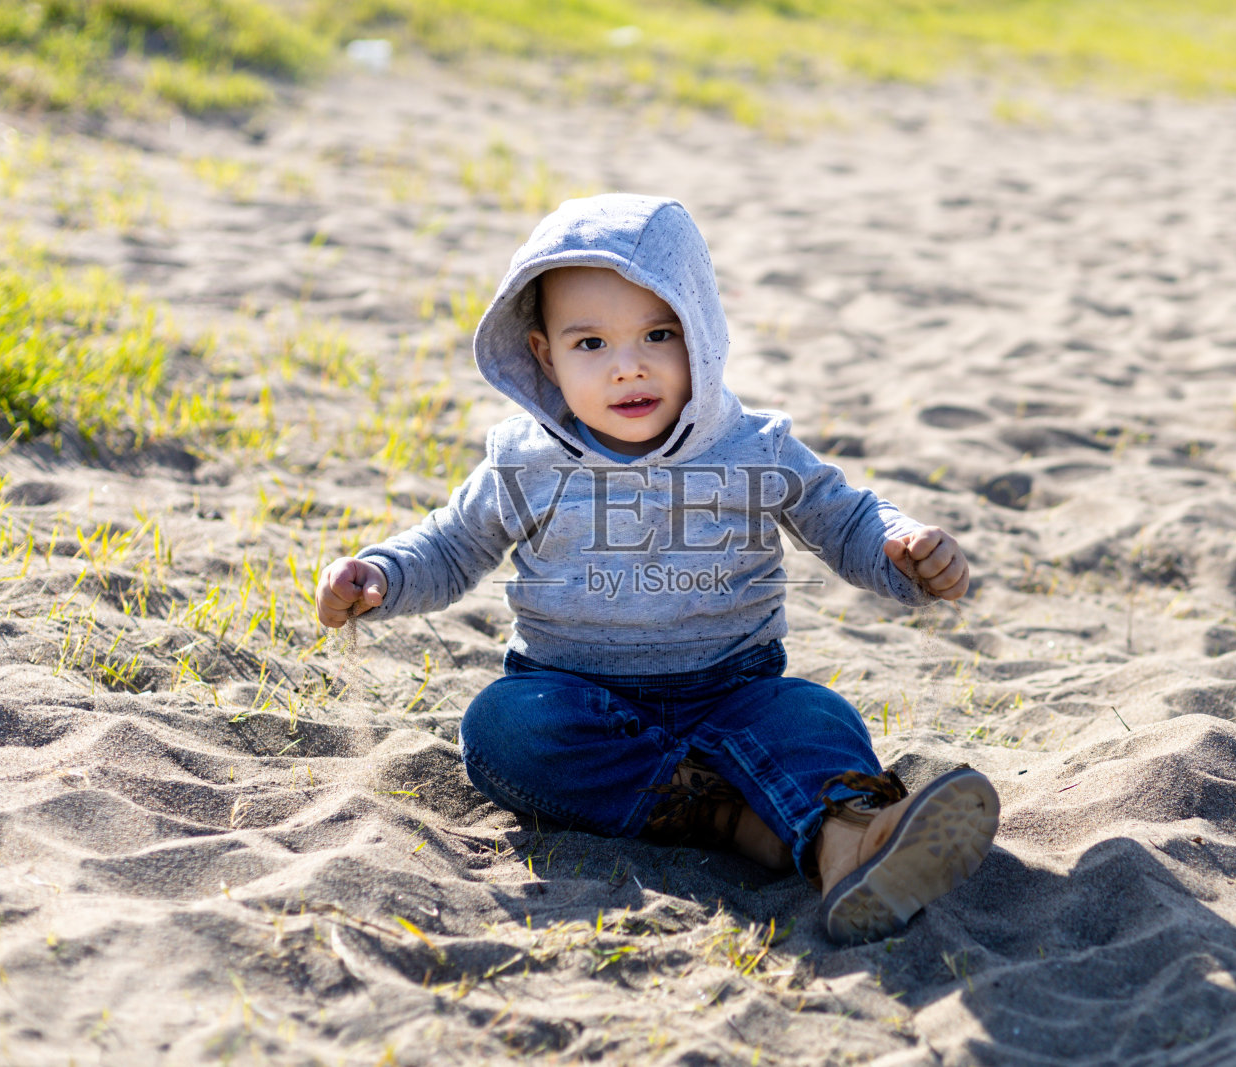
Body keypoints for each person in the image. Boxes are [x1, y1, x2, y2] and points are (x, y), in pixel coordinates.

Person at [315, 194, 998, 944]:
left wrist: (904, 550)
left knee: (813, 716)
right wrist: (380, 574)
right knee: (501, 729)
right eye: (590, 345)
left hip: (735, 688)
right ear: (544, 353)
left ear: (700, 335)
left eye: (658, 333)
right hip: (576, 692)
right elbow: (448, 545)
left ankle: (849, 843)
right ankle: (720, 814)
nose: (628, 366)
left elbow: (846, 518)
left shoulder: (751, 447)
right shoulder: (526, 459)